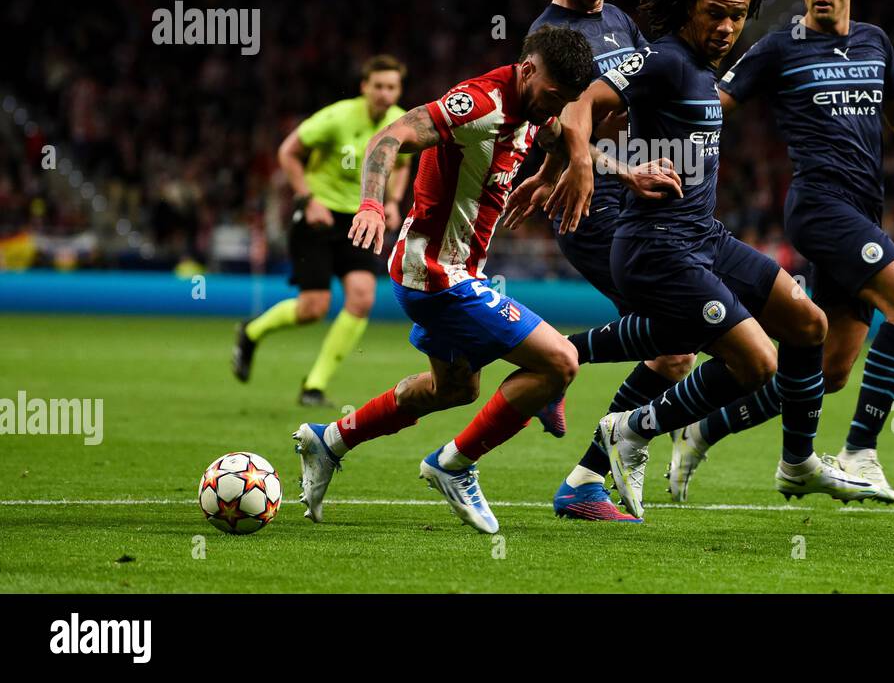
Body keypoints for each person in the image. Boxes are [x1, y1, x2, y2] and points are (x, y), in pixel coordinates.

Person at [290, 26, 681, 534]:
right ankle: (454, 464)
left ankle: (331, 440)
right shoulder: (478, 105)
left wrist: (607, 174)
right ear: (528, 70)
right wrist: (370, 201)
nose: (554, 108)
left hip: (449, 273)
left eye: (565, 100)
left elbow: (562, 137)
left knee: (453, 389)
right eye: (552, 96)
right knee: (559, 362)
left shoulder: (537, 106)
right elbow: (390, 137)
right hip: (435, 275)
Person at [532, 0, 878, 520]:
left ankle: (797, 462)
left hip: (705, 238)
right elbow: (577, 107)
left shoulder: (702, 71)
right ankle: (629, 429)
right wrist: (603, 166)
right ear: (687, 10)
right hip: (656, 246)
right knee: (756, 363)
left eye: (736, 16)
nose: (725, 28)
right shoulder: (664, 61)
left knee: (808, 324)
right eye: (714, 14)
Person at [667, 0, 894, 504]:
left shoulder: (876, 42)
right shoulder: (780, 48)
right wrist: (654, 125)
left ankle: (702, 429)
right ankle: (860, 452)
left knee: (826, 373)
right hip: (819, 207)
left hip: (862, 209)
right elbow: (716, 104)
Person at [512, 0, 693, 521]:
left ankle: (559, 372)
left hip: (634, 200)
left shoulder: (618, 19)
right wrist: (621, 167)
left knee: (677, 345)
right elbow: (563, 126)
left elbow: (636, 99)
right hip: (588, 208)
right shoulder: (548, 37)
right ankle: (581, 462)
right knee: (676, 344)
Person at [231, 55, 410, 406]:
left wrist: (393, 201)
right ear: (364, 86)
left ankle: (313, 386)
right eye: (378, 86)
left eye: (392, 87)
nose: (385, 94)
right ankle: (251, 332)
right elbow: (288, 152)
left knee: (361, 298)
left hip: (361, 218)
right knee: (314, 307)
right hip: (320, 215)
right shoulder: (336, 117)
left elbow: (403, 163)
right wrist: (307, 199)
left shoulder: (399, 122)